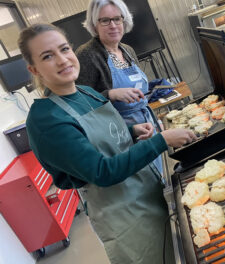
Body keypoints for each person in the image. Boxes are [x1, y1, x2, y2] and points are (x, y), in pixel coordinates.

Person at [18, 23, 196, 264]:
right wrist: (161, 141)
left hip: (144, 195)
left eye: (64, 49)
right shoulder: (47, 120)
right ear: (34, 69)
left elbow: (103, 136)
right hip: (123, 215)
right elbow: (101, 172)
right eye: (48, 56)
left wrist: (132, 132)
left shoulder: (84, 92)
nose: (62, 60)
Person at [76, 0, 164, 174]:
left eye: (117, 18)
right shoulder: (87, 54)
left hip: (146, 127)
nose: (113, 25)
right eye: (105, 20)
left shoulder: (127, 50)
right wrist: (111, 93)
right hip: (119, 137)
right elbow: (79, 102)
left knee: (158, 178)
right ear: (95, 24)